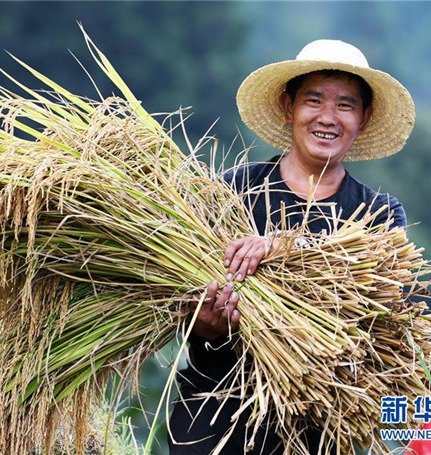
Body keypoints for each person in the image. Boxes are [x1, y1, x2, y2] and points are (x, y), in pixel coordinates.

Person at [168, 39, 415, 454]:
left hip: (320, 424)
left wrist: (284, 246)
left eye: (345, 105)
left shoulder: (379, 215)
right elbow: (178, 299)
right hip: (214, 414)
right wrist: (204, 323)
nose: (327, 118)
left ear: (365, 118)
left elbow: (387, 315)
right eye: (313, 100)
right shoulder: (229, 193)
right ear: (288, 107)